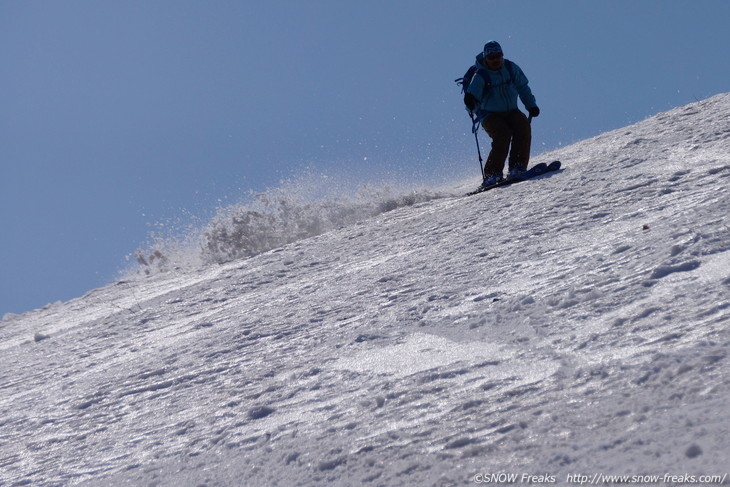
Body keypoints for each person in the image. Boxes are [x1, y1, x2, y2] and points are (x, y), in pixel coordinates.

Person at [463, 41, 540, 186]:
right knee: (502, 134)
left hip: (511, 110)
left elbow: (523, 87)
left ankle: (517, 168)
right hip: (489, 115)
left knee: (522, 126)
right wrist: (470, 103)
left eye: (498, 56)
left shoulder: (510, 68)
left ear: (502, 55)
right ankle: (492, 175)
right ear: (486, 59)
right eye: (491, 57)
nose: (495, 60)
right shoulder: (481, 75)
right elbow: (470, 103)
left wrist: (531, 106)